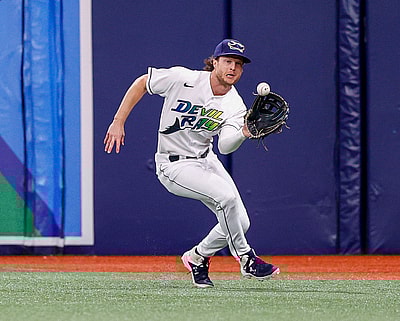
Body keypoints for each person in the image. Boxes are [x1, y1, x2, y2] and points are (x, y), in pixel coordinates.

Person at [104, 39, 280, 288]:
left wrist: (244, 132)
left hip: (206, 158)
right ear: (215, 62)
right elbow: (142, 83)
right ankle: (246, 258)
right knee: (226, 200)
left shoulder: (234, 104)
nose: (233, 68)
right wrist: (118, 121)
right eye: (228, 61)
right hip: (173, 165)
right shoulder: (183, 78)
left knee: (241, 222)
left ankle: (197, 257)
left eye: (238, 64)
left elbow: (224, 145)